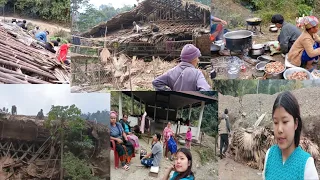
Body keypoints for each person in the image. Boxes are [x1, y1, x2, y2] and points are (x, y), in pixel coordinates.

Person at [263, 91, 319, 180]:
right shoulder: (270, 155)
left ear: (295, 123)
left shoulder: (306, 165)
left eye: (285, 122)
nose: (279, 129)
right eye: (276, 122)